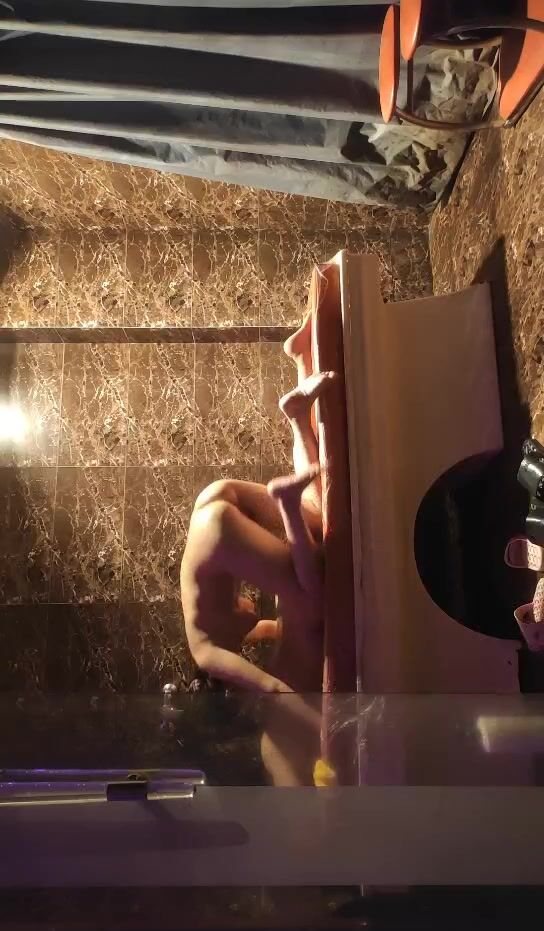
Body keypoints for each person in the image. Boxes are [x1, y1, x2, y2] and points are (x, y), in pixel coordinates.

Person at [180, 311, 335, 693]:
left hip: (217, 534)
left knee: (315, 595)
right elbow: (275, 628)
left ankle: (286, 500)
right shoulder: (213, 638)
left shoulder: (209, 656)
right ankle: (299, 373)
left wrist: (327, 723)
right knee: (317, 513)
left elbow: (273, 690)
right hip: (211, 503)